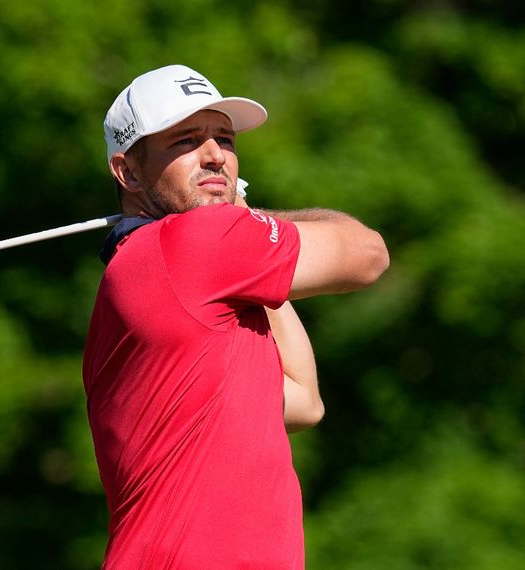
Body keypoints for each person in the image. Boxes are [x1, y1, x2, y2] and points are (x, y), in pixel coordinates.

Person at [82, 64, 389, 569]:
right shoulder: (187, 247)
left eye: (223, 138)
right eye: (185, 141)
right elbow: (368, 254)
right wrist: (245, 220)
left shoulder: (162, 275)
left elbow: (303, 401)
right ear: (129, 172)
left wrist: (247, 240)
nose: (215, 156)